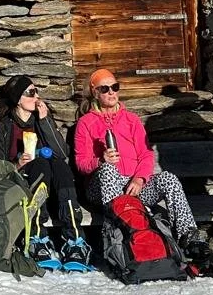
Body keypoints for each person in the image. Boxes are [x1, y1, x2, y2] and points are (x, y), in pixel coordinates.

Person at [72, 67, 206, 257]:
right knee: (108, 171)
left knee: (168, 179)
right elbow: (81, 164)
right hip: (102, 188)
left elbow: (146, 154)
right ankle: (125, 237)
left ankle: (189, 237)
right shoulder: (86, 123)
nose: (111, 92)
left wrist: (140, 179)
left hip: (134, 187)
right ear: (95, 93)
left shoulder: (131, 120)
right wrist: (100, 161)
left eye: (114, 87)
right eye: (104, 89)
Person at [0, 75, 89, 268]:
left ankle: (75, 241)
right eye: (31, 92)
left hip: (53, 190)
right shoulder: (5, 128)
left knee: (60, 165)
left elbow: (61, 152)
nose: (37, 96)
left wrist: (45, 121)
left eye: (36, 91)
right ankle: (36, 237)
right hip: (22, 187)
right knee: (40, 165)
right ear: (18, 99)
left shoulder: (41, 121)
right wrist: (17, 165)